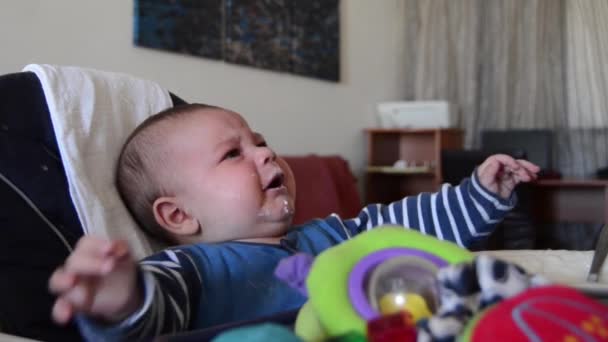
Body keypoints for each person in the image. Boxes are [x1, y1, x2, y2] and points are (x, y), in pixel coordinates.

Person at [48, 104, 539, 340]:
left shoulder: (330, 235)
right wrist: (122, 298)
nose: (265, 152)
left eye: (260, 140)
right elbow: (155, 309)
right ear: (179, 215)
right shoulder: (192, 268)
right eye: (234, 153)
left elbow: (406, 229)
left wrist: (480, 191)